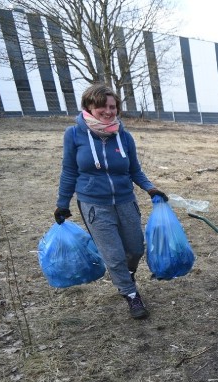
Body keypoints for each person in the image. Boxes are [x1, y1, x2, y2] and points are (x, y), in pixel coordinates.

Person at [54, 83, 167, 319]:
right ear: (89, 107)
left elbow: (135, 169)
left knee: (136, 249)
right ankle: (131, 294)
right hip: (94, 205)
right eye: (102, 107)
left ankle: (127, 275)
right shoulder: (74, 135)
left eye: (112, 107)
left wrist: (151, 188)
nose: (108, 111)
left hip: (126, 201)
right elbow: (69, 171)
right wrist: (62, 203)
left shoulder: (123, 136)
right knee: (114, 255)